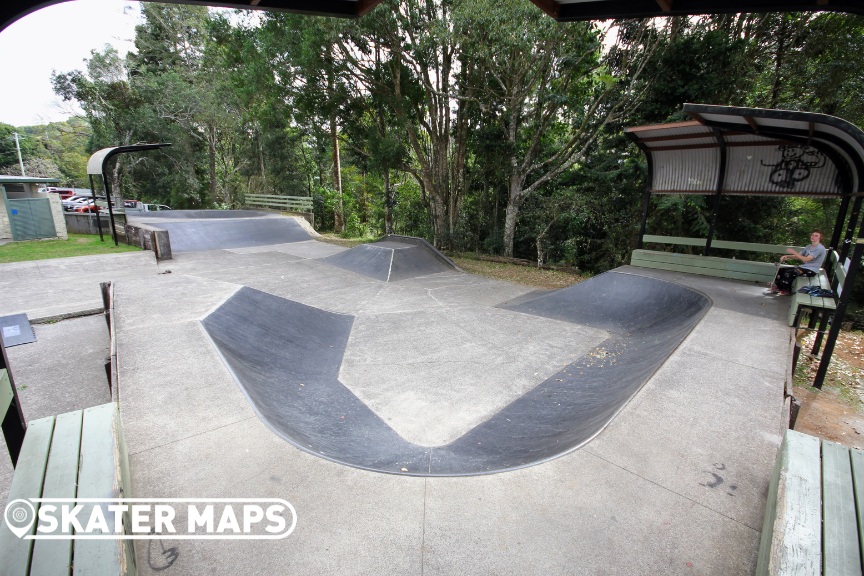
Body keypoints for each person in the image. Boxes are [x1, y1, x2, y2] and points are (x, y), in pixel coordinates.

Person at [770, 230, 826, 295]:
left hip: (811, 270)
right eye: (812, 235)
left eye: (816, 236)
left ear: (820, 238)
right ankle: (779, 287)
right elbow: (798, 256)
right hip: (804, 267)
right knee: (781, 270)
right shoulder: (808, 246)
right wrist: (787, 256)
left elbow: (806, 259)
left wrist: (793, 252)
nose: (813, 237)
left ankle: (786, 290)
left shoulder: (819, 248)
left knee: (789, 273)